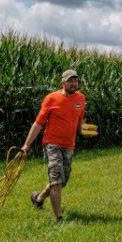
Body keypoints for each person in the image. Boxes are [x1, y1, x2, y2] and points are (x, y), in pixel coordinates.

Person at [21, 69, 86, 223]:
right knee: (56, 180)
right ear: (62, 82)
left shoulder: (81, 99)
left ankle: (38, 197)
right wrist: (26, 146)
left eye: (75, 80)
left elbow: (79, 121)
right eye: (70, 80)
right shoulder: (51, 99)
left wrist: (85, 130)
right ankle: (59, 219)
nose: (73, 83)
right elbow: (38, 123)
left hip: (69, 146)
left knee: (62, 181)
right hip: (52, 144)